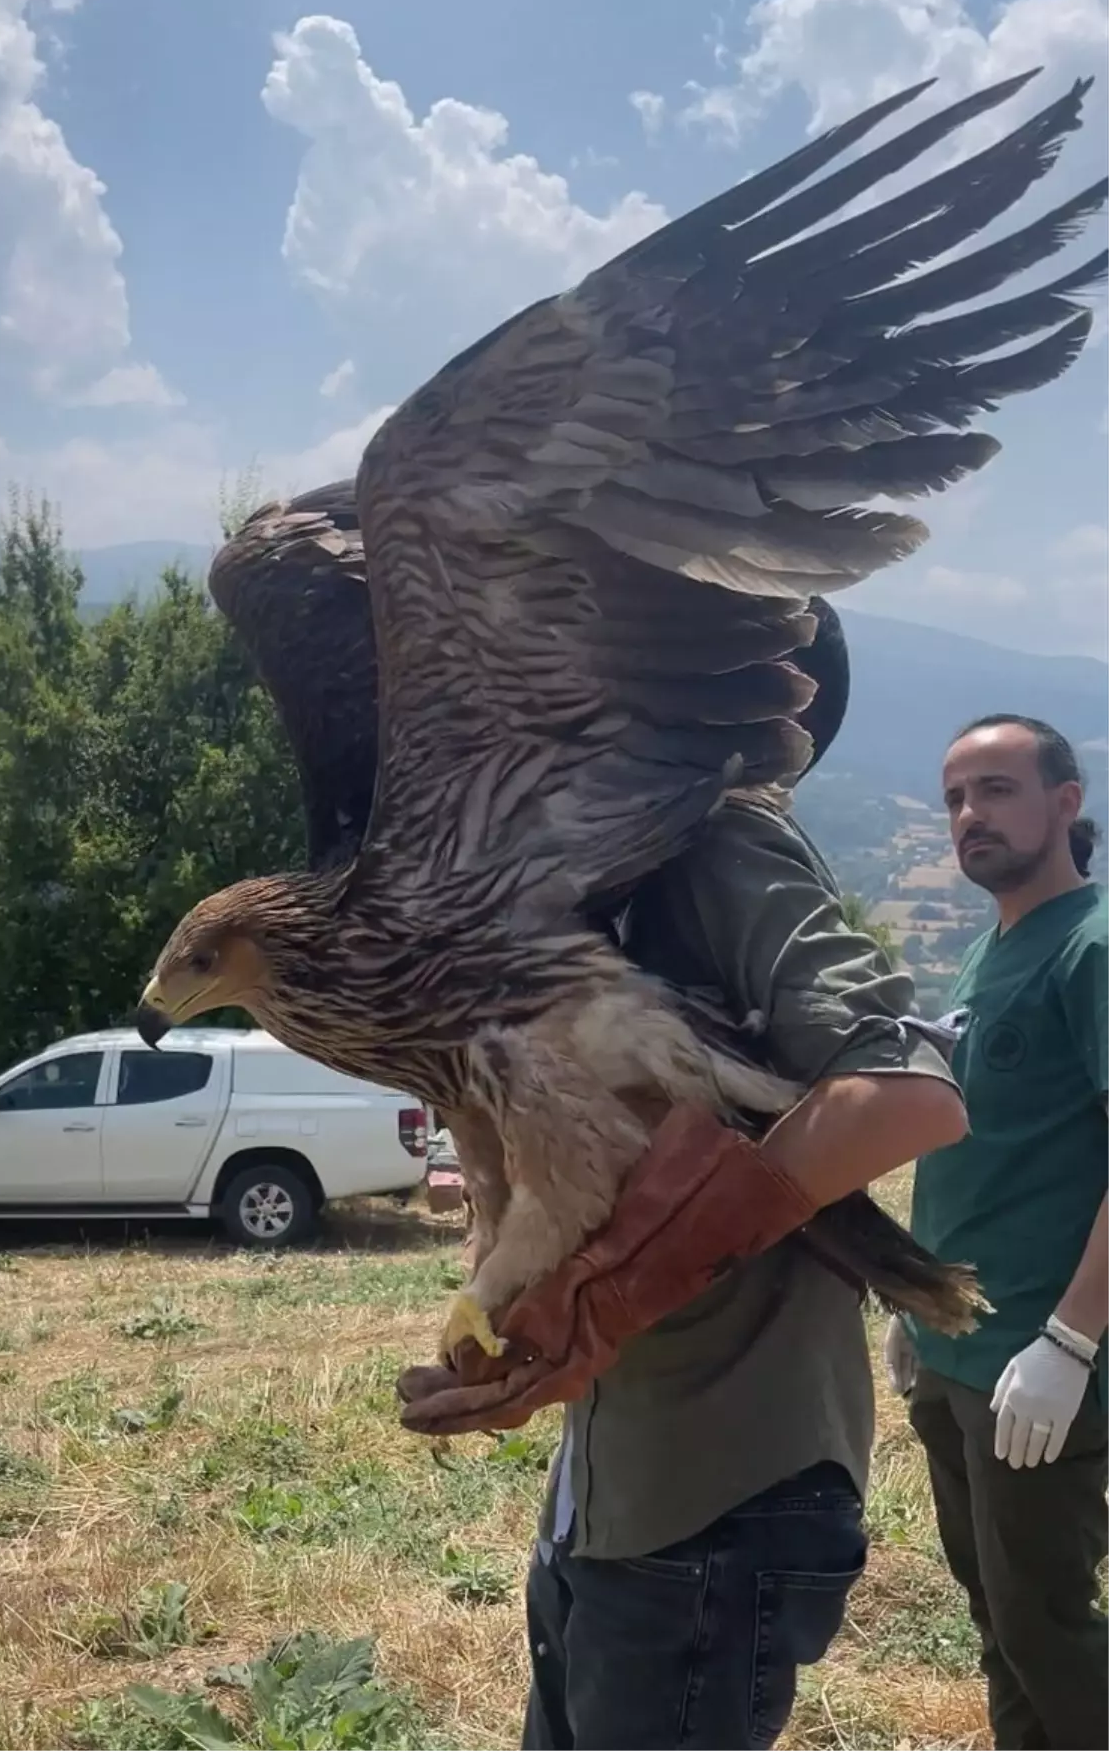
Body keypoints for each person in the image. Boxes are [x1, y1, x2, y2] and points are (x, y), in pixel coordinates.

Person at [400, 781, 968, 1750]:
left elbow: (902, 1100)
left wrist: (609, 1303)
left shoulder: (716, 842)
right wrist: (516, 1328)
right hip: (612, 1494)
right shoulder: (585, 884)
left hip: (714, 1501)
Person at [883, 714, 1109, 1751]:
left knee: (1048, 1632)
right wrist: (917, 1294)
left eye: (998, 789)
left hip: (1037, 1366)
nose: (971, 815)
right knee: (1001, 1626)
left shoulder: (1092, 943)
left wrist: (1069, 1340)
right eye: (956, 798)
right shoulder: (993, 947)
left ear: (1066, 803)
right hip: (958, 1352)